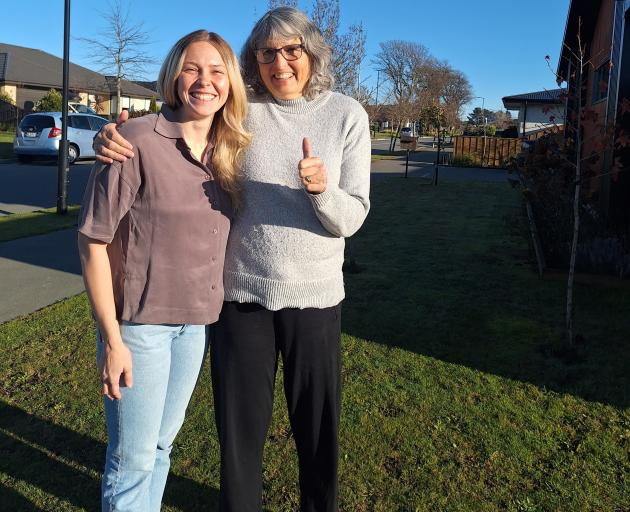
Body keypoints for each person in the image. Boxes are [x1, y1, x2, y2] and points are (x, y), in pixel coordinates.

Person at [94, 7, 371, 511]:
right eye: (267, 53)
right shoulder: (239, 114)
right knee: (239, 436)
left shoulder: (347, 114)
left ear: (312, 54)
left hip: (316, 296)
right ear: (254, 61)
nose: (280, 63)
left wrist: (322, 191)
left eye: (292, 50)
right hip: (241, 295)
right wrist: (109, 138)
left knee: (317, 426)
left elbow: (352, 217)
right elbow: (179, 127)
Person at [78, 30, 249, 512]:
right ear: (174, 76)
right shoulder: (133, 141)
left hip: (195, 326)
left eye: (217, 71)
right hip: (139, 328)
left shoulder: (229, 152)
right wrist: (113, 339)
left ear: (230, 83)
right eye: (193, 68)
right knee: (132, 460)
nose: (204, 81)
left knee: (160, 448)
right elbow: (92, 241)